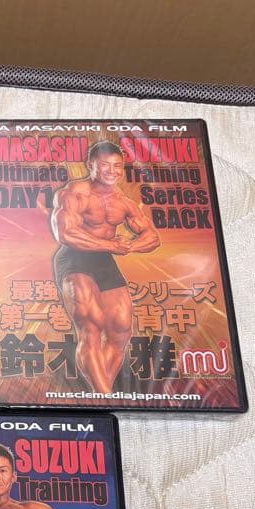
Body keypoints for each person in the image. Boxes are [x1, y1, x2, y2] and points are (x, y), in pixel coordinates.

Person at [51, 140, 160, 394]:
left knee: (121, 330)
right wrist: (110, 244)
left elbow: (152, 237)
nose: (112, 171)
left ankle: (99, 394)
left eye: (117, 166)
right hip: (74, 258)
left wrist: (129, 246)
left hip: (104, 260)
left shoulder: (123, 202)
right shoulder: (76, 192)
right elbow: (66, 234)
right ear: (91, 165)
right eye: (105, 165)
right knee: (91, 325)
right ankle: (105, 396)